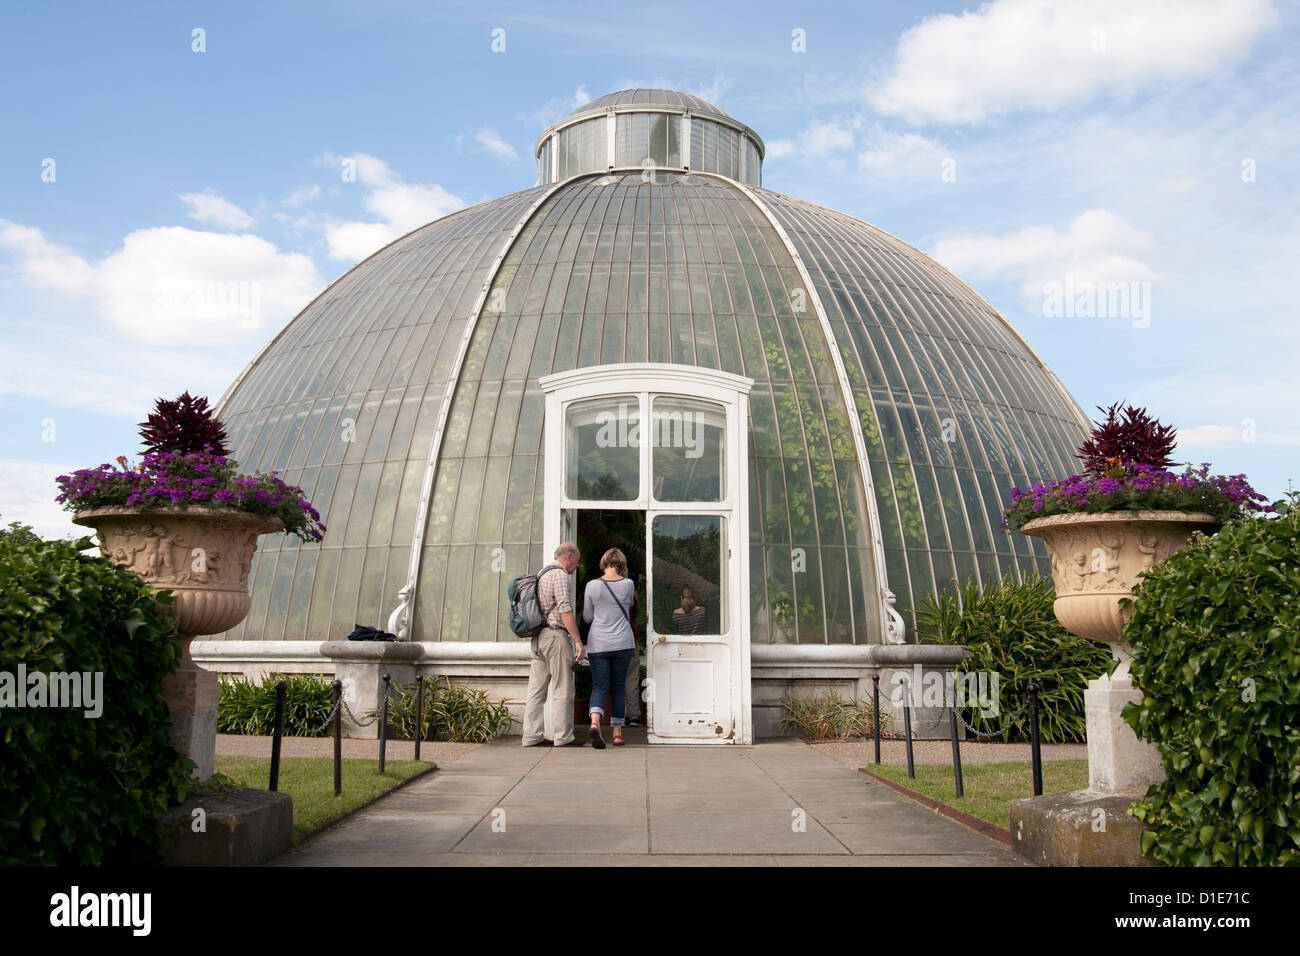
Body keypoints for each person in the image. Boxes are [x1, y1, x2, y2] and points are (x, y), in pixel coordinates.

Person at [522, 542, 586, 747]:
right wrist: (577, 641)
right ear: (568, 556)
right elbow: (565, 610)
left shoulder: (542, 573)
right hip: (555, 637)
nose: (576, 567)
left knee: (536, 691)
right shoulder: (559, 575)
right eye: (576, 562)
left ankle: (531, 736)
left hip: (538, 638)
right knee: (563, 687)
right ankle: (563, 736)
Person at [582, 548, 636, 748]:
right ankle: (617, 733)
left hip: (599, 644)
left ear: (604, 562)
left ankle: (595, 722)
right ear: (622, 563)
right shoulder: (628, 584)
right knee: (618, 687)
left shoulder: (592, 586)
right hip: (623, 643)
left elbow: (587, 617)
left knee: (599, 686)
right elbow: (629, 606)